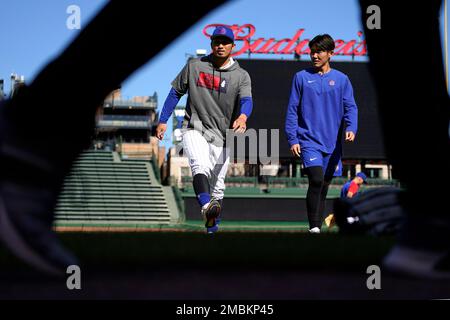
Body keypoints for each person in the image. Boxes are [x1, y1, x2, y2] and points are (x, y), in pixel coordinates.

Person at [0, 0, 226, 276]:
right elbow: (174, 94)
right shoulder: (195, 71)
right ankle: (35, 131)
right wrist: (164, 119)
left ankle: (36, 126)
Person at [155, 25, 253, 234]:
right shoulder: (195, 66)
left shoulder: (241, 75)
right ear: (211, 44)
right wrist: (163, 119)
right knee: (200, 166)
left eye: (225, 42)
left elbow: (246, 100)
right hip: (194, 127)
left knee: (217, 185)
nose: (220, 46)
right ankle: (206, 206)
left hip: (222, 134)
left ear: (233, 46)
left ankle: (211, 228)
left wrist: (243, 116)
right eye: (217, 41)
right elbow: (175, 93)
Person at [285, 34, 358, 234]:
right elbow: (292, 109)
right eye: (312, 51)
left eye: (319, 51)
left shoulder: (342, 80)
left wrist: (352, 128)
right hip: (308, 141)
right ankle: (314, 228)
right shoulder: (300, 77)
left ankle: (318, 229)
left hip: (333, 144)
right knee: (316, 179)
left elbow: (351, 107)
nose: (314, 55)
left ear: (330, 54)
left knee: (324, 186)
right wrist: (293, 138)